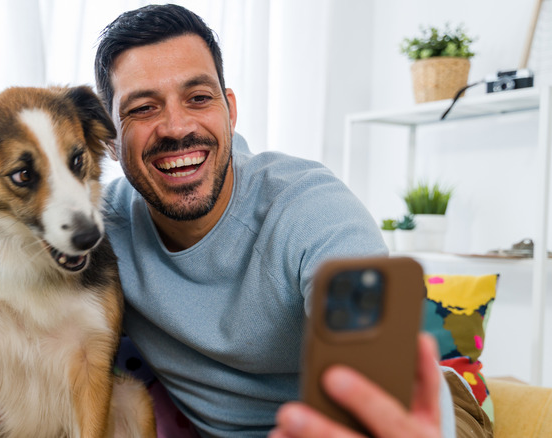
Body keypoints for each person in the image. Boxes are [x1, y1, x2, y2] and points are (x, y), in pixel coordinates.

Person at [94, 4, 487, 437]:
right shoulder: (98, 228)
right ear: (109, 139)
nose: (176, 126)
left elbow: (377, 371)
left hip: (421, 410)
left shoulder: (311, 210)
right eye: (143, 108)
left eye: (199, 98)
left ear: (230, 110)